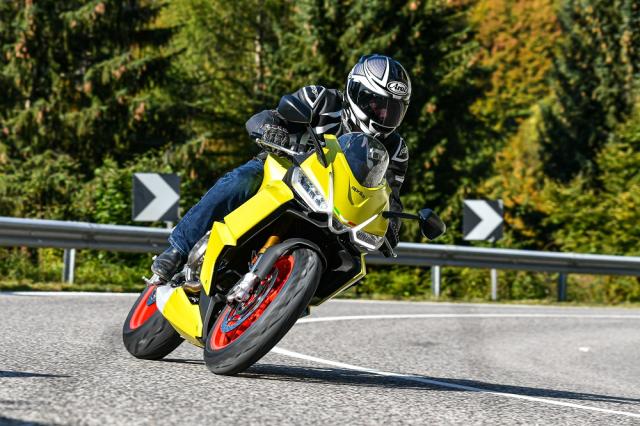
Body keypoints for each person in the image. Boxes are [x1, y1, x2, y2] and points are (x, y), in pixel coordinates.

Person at [151, 54, 412, 281]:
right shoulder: (321, 100)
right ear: (356, 92)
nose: (383, 115)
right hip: (283, 171)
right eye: (377, 105)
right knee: (241, 180)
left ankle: (291, 294)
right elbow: (268, 117)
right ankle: (177, 250)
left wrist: (392, 225)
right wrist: (270, 129)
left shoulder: (396, 150)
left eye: (392, 110)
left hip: (336, 207)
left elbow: (391, 196)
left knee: (349, 260)